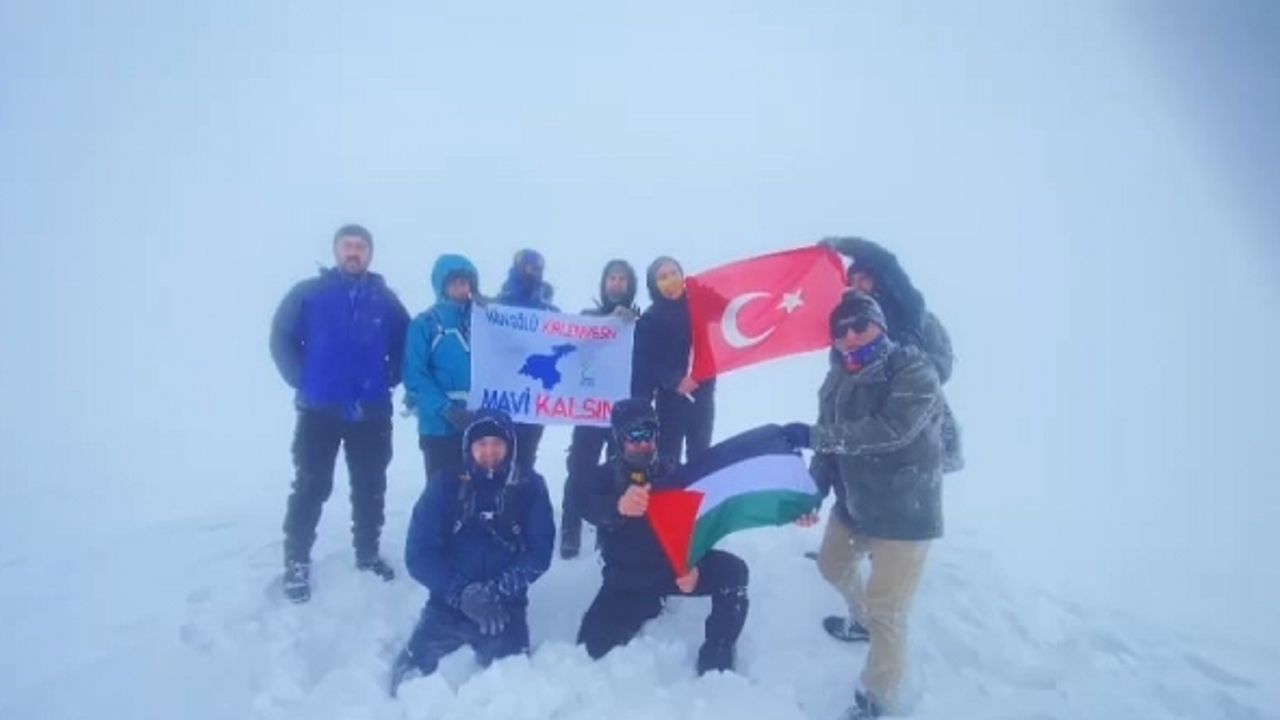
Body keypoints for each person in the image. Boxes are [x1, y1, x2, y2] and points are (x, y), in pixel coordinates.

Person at [781, 291, 945, 719]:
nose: (850, 336)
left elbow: (893, 430)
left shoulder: (912, 368)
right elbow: (828, 444)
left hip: (905, 511)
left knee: (888, 611)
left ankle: (878, 698)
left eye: (860, 325)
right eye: (841, 331)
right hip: (855, 504)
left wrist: (819, 437)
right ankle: (860, 622)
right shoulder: (835, 378)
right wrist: (814, 489)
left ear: (881, 326)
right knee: (832, 565)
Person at [269, 223, 410, 603]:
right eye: (347, 246)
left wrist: (389, 377)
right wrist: (303, 379)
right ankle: (296, 562)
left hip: (372, 410)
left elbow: (406, 342)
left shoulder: (385, 300)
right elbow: (281, 336)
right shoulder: (310, 293)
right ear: (335, 251)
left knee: (370, 485)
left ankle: (367, 552)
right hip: (319, 410)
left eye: (361, 247)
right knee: (311, 484)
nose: (354, 252)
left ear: (370, 254)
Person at [576, 398, 748, 675]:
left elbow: (697, 524)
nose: (644, 443)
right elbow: (582, 503)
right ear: (619, 439)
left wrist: (692, 564)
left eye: (650, 434)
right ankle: (644, 607)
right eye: (635, 436)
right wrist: (617, 506)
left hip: (671, 571)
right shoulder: (604, 478)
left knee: (734, 573)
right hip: (626, 581)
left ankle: (719, 649)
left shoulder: (673, 473)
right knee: (588, 651)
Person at [390, 409, 555, 696]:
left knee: (512, 691)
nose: (489, 452)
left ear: (510, 446)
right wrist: (459, 592)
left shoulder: (530, 486)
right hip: (448, 603)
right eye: (481, 444)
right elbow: (419, 553)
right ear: (469, 448)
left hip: (504, 606)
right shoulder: (444, 485)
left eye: (497, 443)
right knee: (408, 682)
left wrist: (498, 592)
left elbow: (539, 553)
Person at [820, 236, 962, 473]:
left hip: (921, 420)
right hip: (869, 429)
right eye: (851, 280)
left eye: (864, 278)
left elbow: (886, 262)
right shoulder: (848, 329)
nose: (857, 286)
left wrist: (844, 245)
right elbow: (841, 379)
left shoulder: (908, 312)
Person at [560, 259, 641, 559]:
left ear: (630, 286)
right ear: (604, 284)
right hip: (591, 410)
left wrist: (632, 324)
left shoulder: (638, 321)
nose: (617, 284)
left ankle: (610, 530)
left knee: (619, 473)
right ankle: (570, 529)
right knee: (579, 469)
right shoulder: (587, 318)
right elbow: (573, 354)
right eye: (612, 279)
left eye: (622, 279)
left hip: (624, 414)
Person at [631, 257, 716, 465]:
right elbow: (645, 364)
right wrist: (675, 381)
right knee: (668, 460)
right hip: (670, 400)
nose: (670, 280)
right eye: (662, 277)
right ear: (654, 285)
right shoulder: (650, 319)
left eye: (674, 273)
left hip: (702, 393)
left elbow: (731, 313)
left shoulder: (699, 305)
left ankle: (703, 496)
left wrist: (707, 291)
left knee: (702, 457)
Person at [403, 254, 480, 479]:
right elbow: (414, 376)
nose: (460, 287)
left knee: (481, 490)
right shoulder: (424, 324)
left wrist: (495, 310)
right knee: (442, 490)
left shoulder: (484, 321)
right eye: (454, 282)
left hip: (478, 422)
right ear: (442, 285)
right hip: (439, 426)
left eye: (465, 282)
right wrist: (446, 409)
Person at [495, 248, 560, 473]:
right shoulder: (499, 305)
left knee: (526, 457)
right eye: (529, 267)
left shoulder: (549, 309)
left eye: (538, 268)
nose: (534, 272)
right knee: (499, 453)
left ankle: (521, 501)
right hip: (503, 395)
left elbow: (570, 338)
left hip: (534, 399)